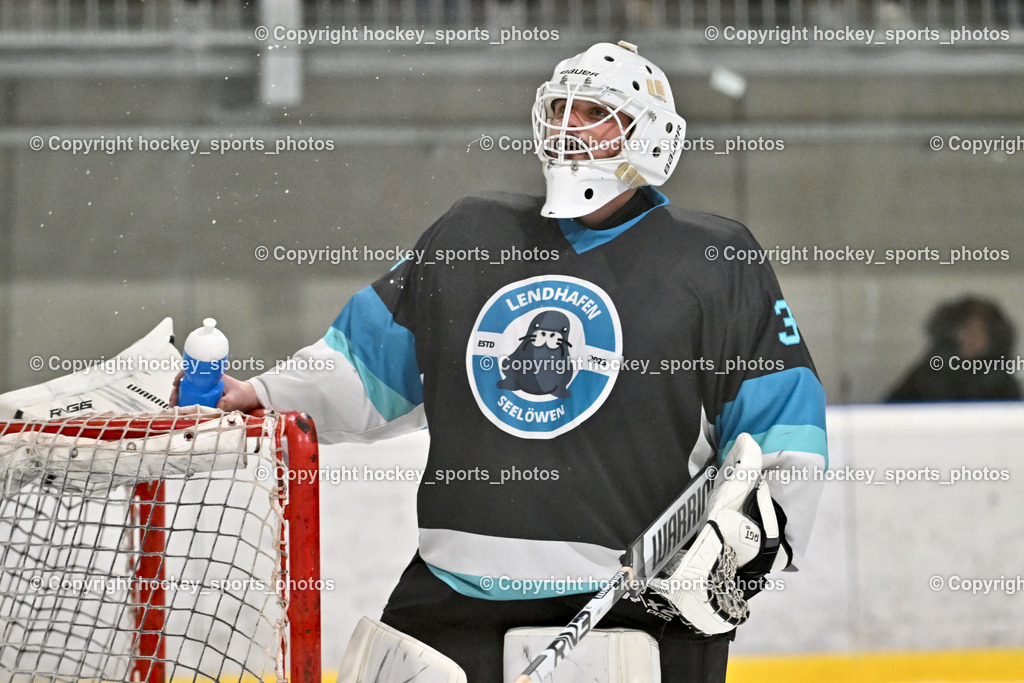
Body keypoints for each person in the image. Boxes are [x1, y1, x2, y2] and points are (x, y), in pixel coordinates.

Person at [173, 41, 828, 682]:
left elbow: (785, 426)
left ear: (649, 136)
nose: (571, 127)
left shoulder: (713, 259)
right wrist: (265, 392)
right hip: (457, 594)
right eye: (562, 108)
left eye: (596, 114)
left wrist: (757, 547)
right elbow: (365, 364)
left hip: (640, 602)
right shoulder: (473, 233)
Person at [886, 295, 1022, 402]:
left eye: (982, 330)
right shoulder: (926, 376)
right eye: (965, 328)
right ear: (950, 332)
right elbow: (889, 416)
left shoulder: (1002, 380)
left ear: (994, 337)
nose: (972, 337)